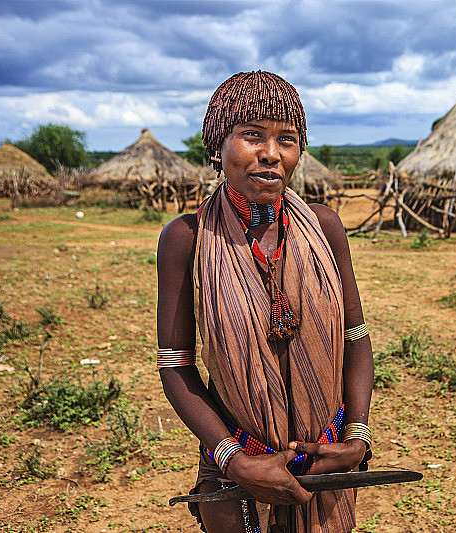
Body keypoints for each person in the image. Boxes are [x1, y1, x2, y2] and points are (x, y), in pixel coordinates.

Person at [156, 71, 374, 533]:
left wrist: (355, 437)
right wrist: (234, 461)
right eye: (252, 136)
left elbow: (357, 339)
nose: (272, 154)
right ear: (218, 144)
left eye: (287, 139)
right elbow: (175, 365)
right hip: (236, 463)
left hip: (325, 460)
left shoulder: (325, 227)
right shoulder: (187, 238)